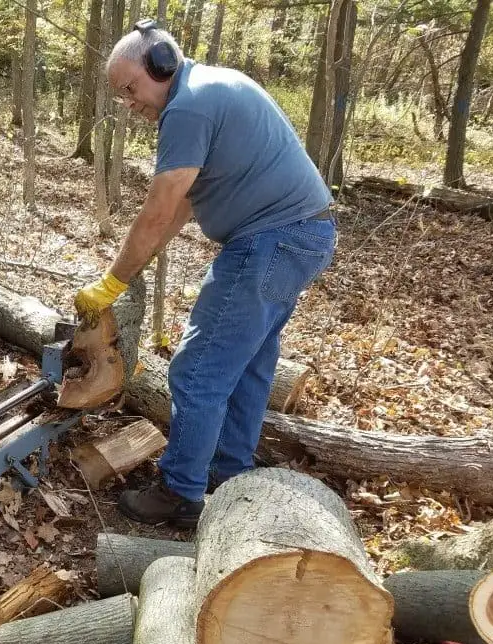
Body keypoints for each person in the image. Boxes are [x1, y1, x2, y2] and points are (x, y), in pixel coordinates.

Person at [74, 19, 336, 528]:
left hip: (272, 239)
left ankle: (181, 493)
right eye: (121, 95)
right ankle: (230, 470)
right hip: (303, 235)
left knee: (197, 369)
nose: (129, 103)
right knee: (251, 362)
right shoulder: (212, 88)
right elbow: (180, 210)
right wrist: (125, 271)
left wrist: (113, 282)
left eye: (131, 89)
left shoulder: (189, 106)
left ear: (161, 65)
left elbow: (157, 209)